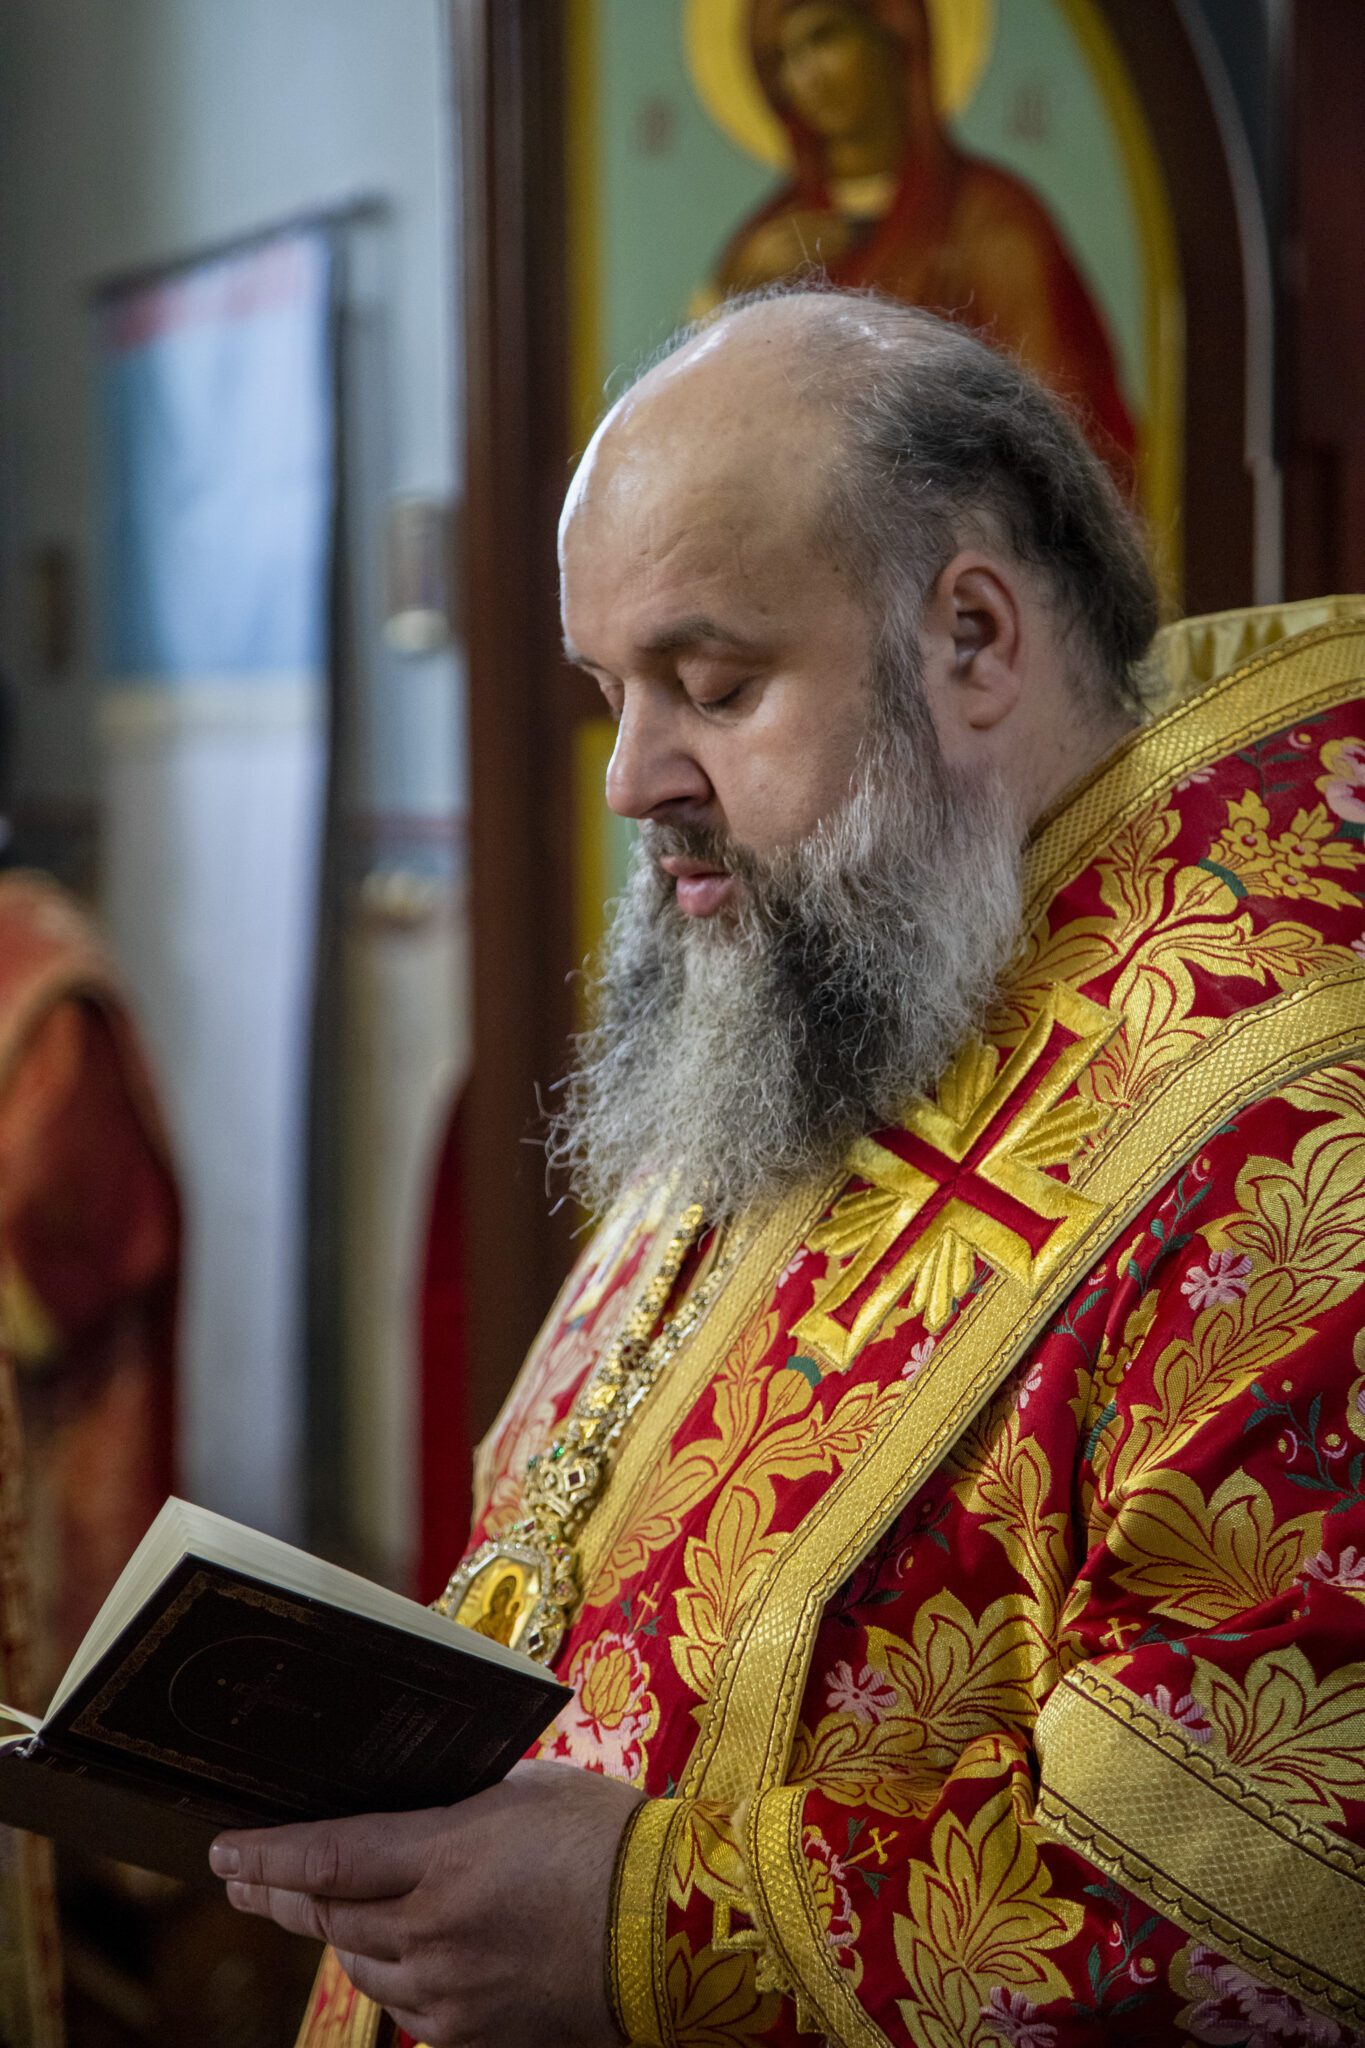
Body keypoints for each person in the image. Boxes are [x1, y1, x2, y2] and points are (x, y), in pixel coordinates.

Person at [221, 290, 1365, 2047]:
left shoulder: (1296, 1126)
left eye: (712, 685)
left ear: (971, 638)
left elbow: (1264, 1904)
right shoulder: (852, 961)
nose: (629, 779)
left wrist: (643, 1927)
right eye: (609, 692)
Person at [709, 0, 1137, 488]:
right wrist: (738, 296)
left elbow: (1056, 432)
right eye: (782, 59)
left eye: (824, 38)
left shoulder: (992, 220)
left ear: (892, 36)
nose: (807, 77)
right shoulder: (767, 241)